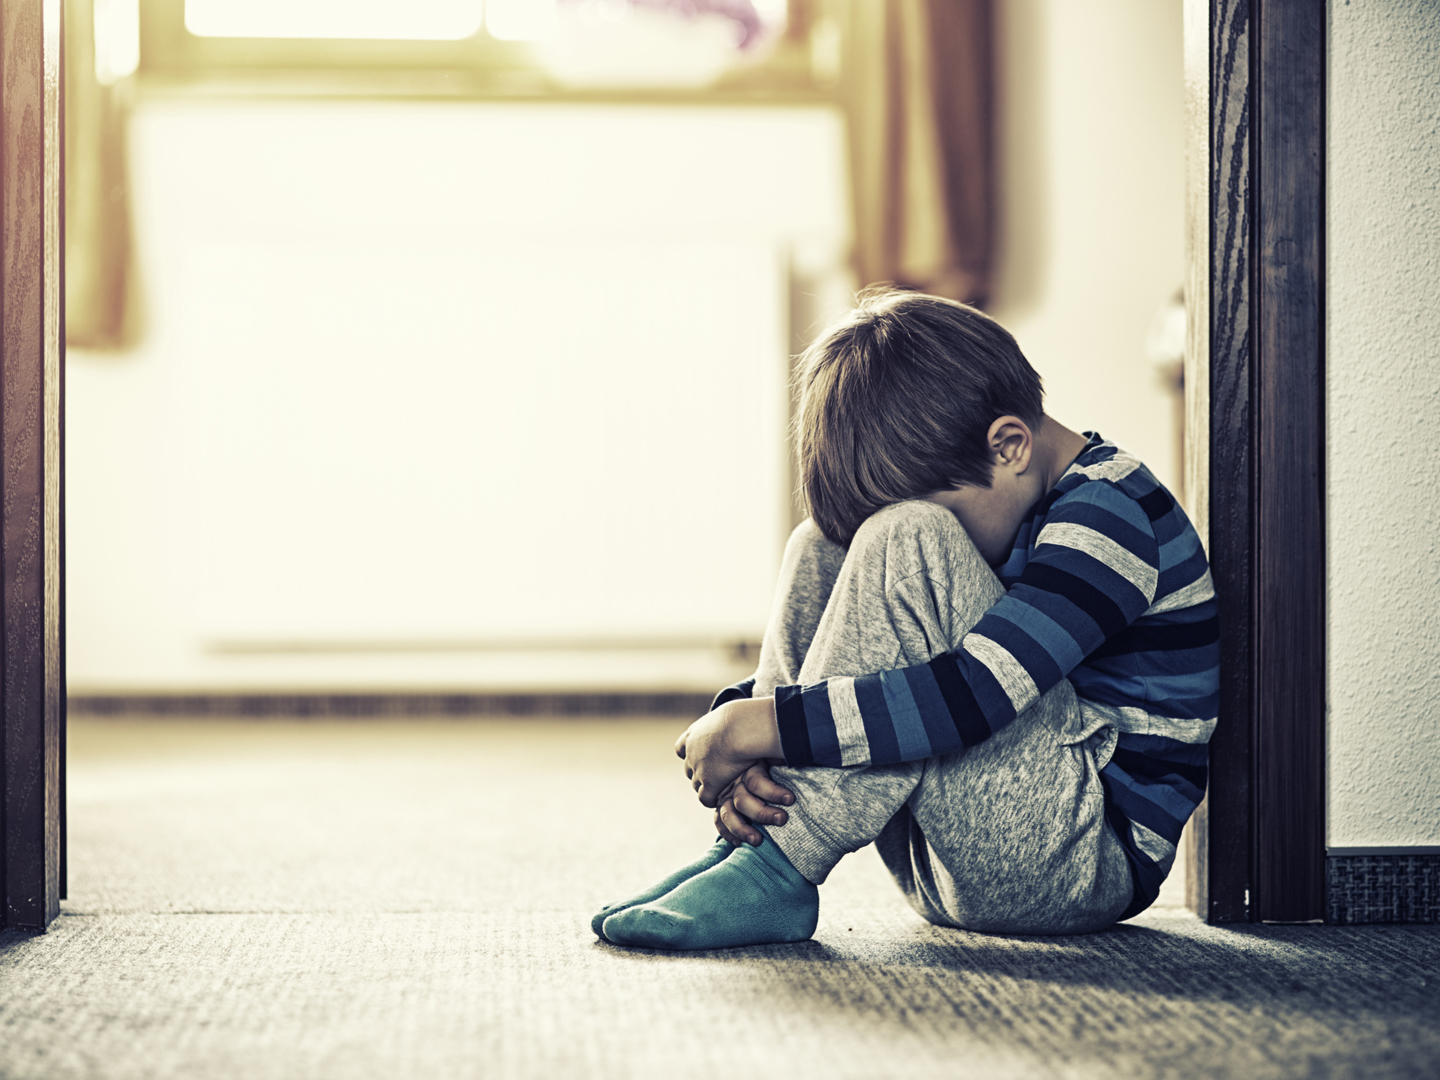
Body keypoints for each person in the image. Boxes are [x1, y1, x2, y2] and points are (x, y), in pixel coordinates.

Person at [593, 288, 1219, 950]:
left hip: (1077, 862)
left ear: (1009, 446)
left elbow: (974, 695)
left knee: (907, 536)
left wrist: (763, 724)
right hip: (949, 851)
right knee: (821, 541)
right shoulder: (1014, 490)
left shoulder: (1110, 518)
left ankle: (779, 869)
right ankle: (757, 837)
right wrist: (754, 724)